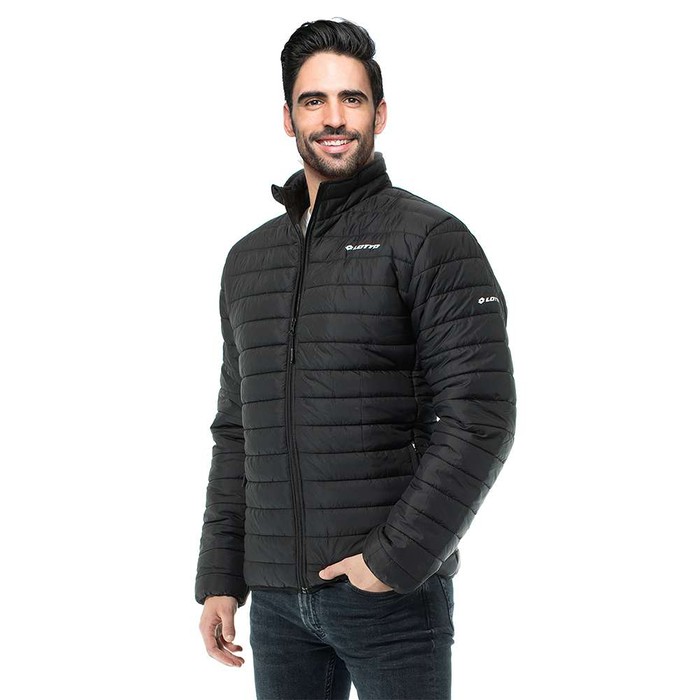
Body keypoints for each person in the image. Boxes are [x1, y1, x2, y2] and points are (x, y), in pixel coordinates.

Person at [196, 18, 516, 700]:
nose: (334, 117)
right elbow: (237, 431)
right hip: (277, 603)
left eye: (352, 98)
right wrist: (222, 575)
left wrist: (393, 559)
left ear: (381, 113)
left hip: (390, 599)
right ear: (288, 118)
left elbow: (480, 416)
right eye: (314, 100)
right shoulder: (249, 261)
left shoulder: (430, 239)